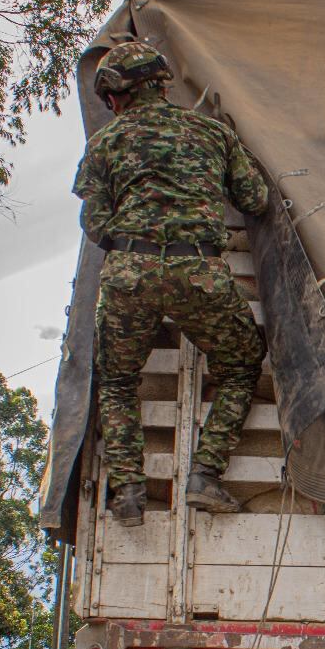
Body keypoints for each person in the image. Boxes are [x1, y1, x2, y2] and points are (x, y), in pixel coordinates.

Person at [74, 41, 270, 525]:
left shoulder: (104, 143)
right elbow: (256, 198)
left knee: (117, 381)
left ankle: (128, 493)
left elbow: (95, 224)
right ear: (161, 83)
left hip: (128, 275)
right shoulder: (211, 132)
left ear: (118, 93)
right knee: (242, 363)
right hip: (199, 274)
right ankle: (204, 476)